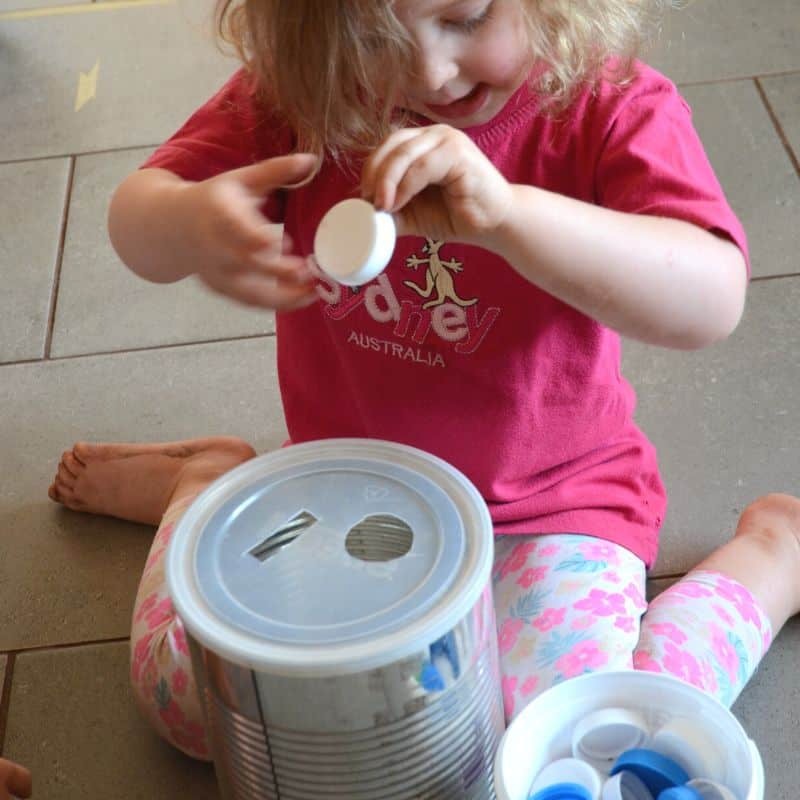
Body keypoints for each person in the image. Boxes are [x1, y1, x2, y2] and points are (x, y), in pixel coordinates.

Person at [48, 0, 800, 760]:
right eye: (373, 42)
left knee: (581, 744)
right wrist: (186, 220)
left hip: (548, 508)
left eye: (468, 18)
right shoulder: (308, 98)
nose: (431, 72)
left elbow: (710, 298)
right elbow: (132, 219)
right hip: (353, 503)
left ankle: (773, 558)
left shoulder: (605, 106)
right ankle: (204, 483)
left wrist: (509, 217)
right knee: (190, 701)